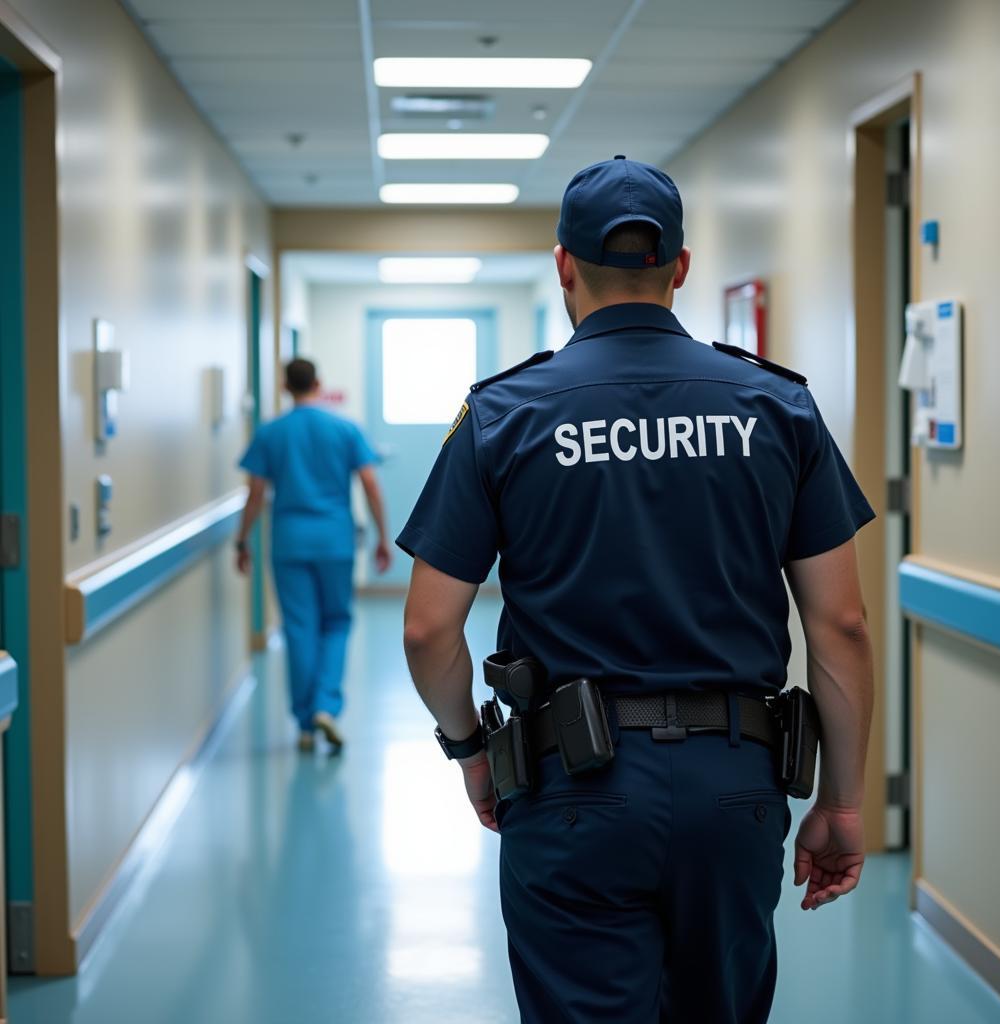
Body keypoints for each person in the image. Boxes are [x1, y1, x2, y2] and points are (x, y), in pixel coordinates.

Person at [398, 155, 875, 1023]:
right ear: (681, 268)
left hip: (571, 793)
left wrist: (472, 753)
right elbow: (840, 623)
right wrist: (841, 801)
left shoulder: (505, 414)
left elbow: (430, 630)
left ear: (564, 266)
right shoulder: (777, 407)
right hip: (735, 787)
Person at [236, 357, 391, 752]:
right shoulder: (344, 428)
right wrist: (383, 537)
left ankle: (305, 723)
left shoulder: (271, 432)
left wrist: (241, 539)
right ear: (318, 384)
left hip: (289, 543)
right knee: (336, 622)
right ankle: (326, 705)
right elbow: (371, 484)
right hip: (334, 541)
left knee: (299, 627)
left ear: (286, 387)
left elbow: (255, 493)